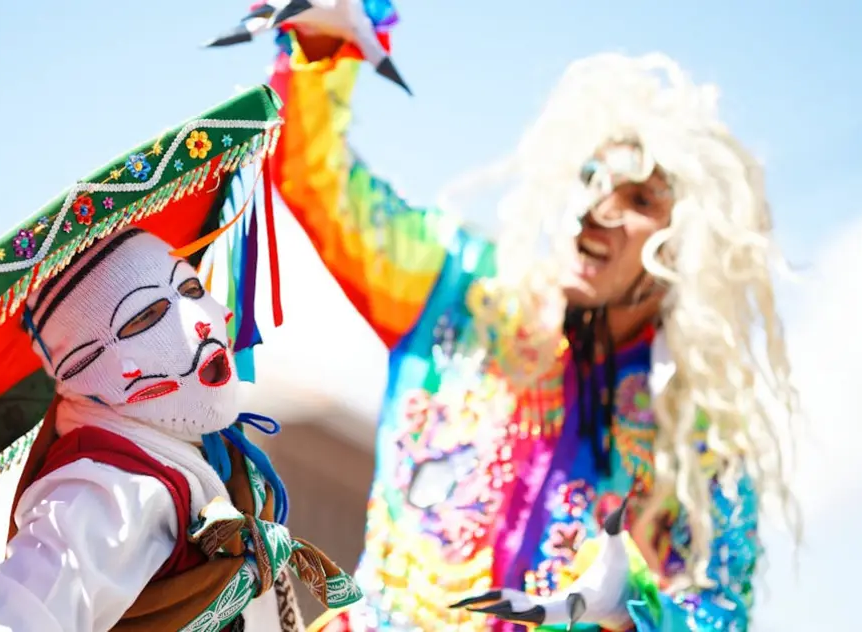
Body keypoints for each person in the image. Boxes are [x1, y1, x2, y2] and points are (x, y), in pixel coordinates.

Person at [210, 4, 801, 631]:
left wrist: (633, 610)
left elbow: (722, 613)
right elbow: (314, 177)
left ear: (686, 242)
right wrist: (325, 39)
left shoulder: (695, 436)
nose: (597, 207)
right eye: (591, 178)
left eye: (638, 200)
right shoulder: (460, 291)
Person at [0, 86, 362, 632]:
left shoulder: (201, 455)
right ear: (81, 373)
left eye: (192, 288)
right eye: (146, 317)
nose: (202, 319)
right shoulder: (101, 491)